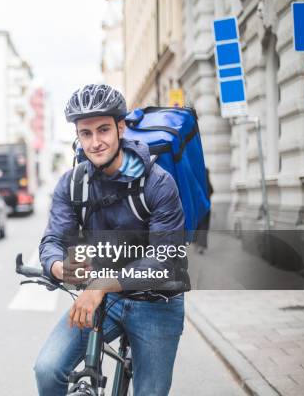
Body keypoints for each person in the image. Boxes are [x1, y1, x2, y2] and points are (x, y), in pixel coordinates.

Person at [34, 84, 187, 396]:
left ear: (121, 127)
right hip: (107, 299)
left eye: (103, 130)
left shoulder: (158, 183)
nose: (95, 142)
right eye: (85, 133)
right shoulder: (72, 183)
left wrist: (100, 285)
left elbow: (166, 260)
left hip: (157, 302)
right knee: (48, 370)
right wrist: (59, 267)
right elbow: (52, 239)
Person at [195, 167, 213, 254]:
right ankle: (201, 245)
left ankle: (197, 244)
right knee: (204, 225)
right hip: (205, 204)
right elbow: (211, 190)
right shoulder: (205, 171)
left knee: (197, 224)